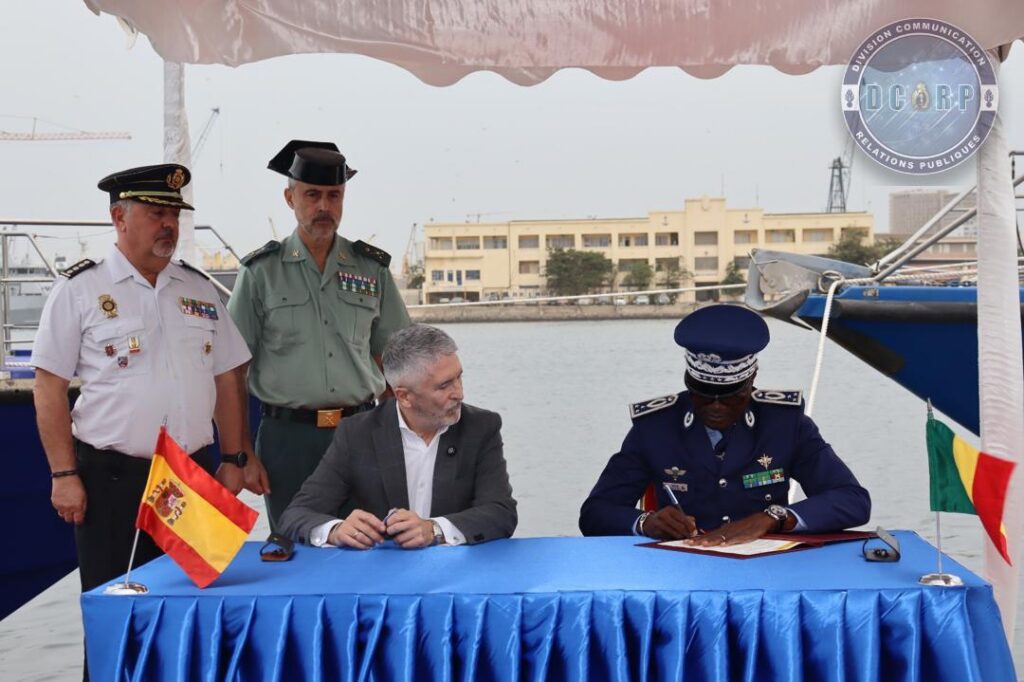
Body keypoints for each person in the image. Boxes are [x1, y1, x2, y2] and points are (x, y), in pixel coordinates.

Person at [31, 164, 255, 594]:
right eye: (156, 213)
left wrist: (233, 458)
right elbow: (48, 388)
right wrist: (63, 474)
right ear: (119, 217)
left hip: (191, 477)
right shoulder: (80, 289)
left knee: (193, 607)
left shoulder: (198, 288)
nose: (169, 224)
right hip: (114, 482)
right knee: (117, 606)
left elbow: (227, 377)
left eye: (174, 214)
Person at [228, 140, 412, 531]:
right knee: (295, 545)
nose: (324, 206)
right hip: (287, 440)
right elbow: (232, 370)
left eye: (334, 195)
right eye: (312, 195)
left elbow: (398, 360)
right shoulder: (261, 272)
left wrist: (401, 437)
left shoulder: (371, 269)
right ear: (290, 198)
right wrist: (242, 452)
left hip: (361, 432)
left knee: (370, 542)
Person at [579, 304, 870, 545]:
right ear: (688, 384)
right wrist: (647, 523)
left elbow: (853, 500)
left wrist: (774, 517)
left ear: (751, 381)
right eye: (703, 395)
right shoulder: (655, 428)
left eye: (731, 396)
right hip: (681, 565)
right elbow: (595, 513)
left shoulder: (785, 424)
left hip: (764, 567)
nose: (716, 406)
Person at [280, 324, 517, 548]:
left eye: (459, 377)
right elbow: (295, 515)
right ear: (404, 396)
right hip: (383, 573)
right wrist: (336, 530)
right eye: (444, 386)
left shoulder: (481, 427)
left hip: (457, 571)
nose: (459, 393)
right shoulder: (357, 434)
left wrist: (434, 530)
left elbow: (501, 513)